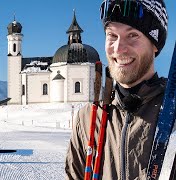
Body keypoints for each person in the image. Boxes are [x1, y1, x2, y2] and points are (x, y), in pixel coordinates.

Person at [65, 0, 169, 179]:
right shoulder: (88, 118)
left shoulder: (172, 113)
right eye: (112, 35)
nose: (119, 49)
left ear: (155, 44)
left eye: (133, 35)